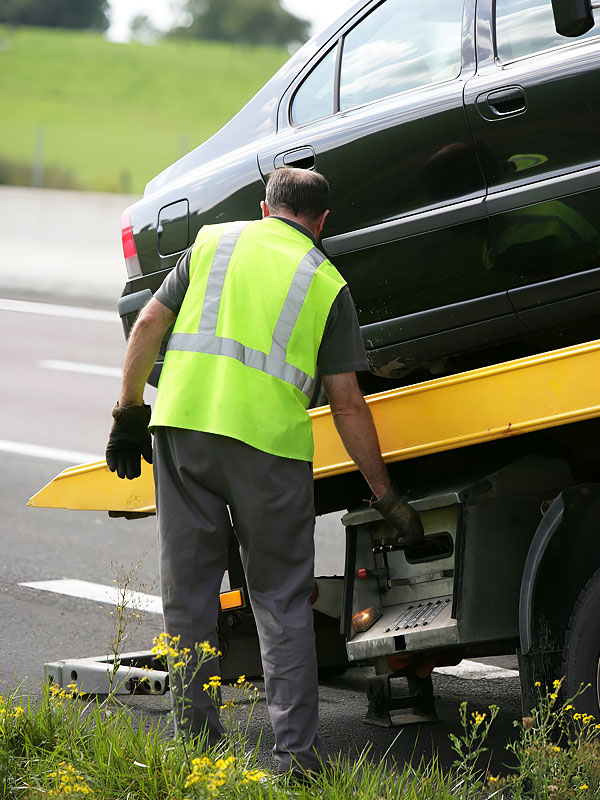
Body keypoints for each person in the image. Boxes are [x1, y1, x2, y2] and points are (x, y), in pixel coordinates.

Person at [106, 167, 423, 775]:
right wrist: (386, 495)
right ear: (322, 222)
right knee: (279, 601)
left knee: (190, 596)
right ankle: (296, 758)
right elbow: (348, 403)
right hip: (268, 451)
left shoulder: (211, 243)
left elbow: (148, 324)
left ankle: (196, 746)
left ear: (264, 207)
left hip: (184, 431)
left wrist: (127, 412)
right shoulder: (328, 284)